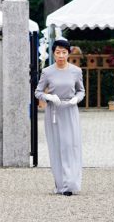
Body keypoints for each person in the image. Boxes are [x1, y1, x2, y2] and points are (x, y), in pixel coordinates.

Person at [35, 39, 85, 196]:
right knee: (57, 146)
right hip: (54, 112)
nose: (61, 55)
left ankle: (72, 182)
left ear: (69, 53)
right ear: (53, 54)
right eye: (58, 52)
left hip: (70, 110)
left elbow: (81, 91)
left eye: (64, 52)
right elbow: (38, 91)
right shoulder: (47, 72)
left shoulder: (76, 71)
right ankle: (61, 184)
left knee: (71, 145)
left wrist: (76, 99)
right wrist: (49, 98)